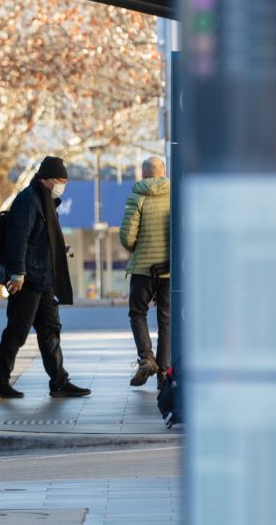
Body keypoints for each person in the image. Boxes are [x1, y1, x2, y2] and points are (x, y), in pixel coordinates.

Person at [0, 155, 91, 399]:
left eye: (65, 180)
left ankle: (59, 381)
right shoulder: (29, 199)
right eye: (59, 180)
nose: (62, 185)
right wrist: (18, 273)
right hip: (27, 279)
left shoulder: (47, 201)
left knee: (50, 330)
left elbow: (40, 238)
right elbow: (18, 238)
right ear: (44, 179)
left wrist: (57, 249)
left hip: (43, 279)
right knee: (17, 331)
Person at [119, 156, 171, 389]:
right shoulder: (175, 195)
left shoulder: (137, 196)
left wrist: (136, 248)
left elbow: (127, 236)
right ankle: (164, 372)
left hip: (142, 269)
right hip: (169, 269)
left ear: (144, 174)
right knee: (166, 320)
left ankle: (146, 358)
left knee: (138, 313)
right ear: (163, 172)